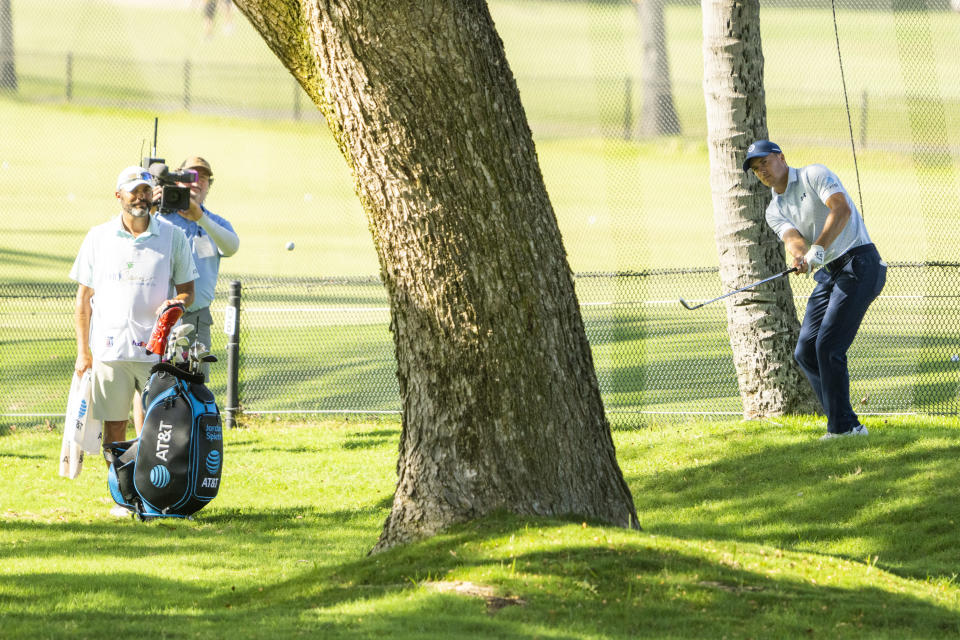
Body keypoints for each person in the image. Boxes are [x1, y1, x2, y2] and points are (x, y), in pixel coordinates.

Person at [71, 166, 198, 514]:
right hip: (110, 349)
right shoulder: (98, 237)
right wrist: (84, 351)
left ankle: (151, 492)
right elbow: (83, 299)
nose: (140, 196)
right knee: (114, 425)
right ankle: (123, 496)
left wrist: (176, 303)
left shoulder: (172, 236)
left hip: (155, 351)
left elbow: (188, 290)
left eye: (145, 190)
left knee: (155, 426)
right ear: (119, 196)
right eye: (133, 191)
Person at [743, 140, 887, 440]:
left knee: (829, 346)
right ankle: (846, 423)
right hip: (830, 273)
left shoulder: (814, 175)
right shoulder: (774, 209)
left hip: (860, 263)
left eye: (765, 163)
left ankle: (842, 428)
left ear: (781, 157)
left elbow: (841, 209)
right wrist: (800, 257)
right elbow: (793, 239)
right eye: (756, 170)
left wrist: (818, 249)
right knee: (806, 350)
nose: (762, 171)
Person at [154, 155, 239, 380]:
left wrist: (200, 218)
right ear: (177, 179)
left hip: (198, 318)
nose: (197, 182)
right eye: (190, 175)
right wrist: (150, 209)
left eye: (204, 178)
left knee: (197, 383)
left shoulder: (215, 223)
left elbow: (231, 247)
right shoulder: (161, 219)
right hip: (162, 314)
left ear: (208, 187)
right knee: (156, 381)